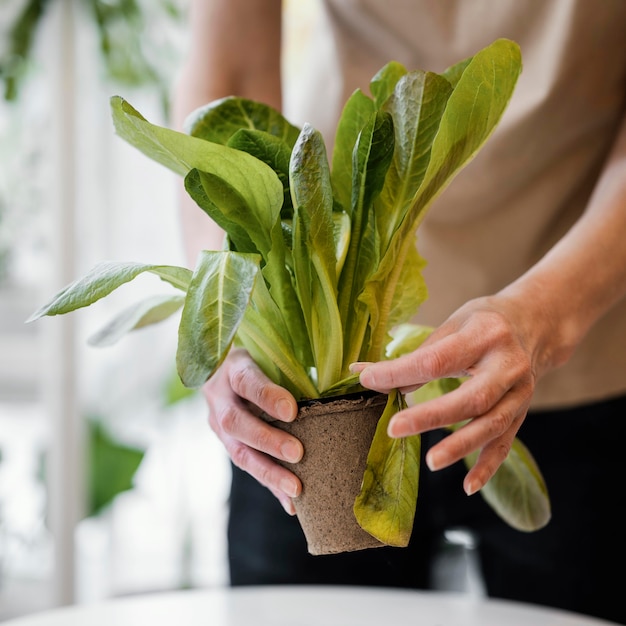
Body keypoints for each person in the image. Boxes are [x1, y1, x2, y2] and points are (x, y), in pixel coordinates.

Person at [172, 1, 626, 623]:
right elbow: (229, 77)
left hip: (577, 315)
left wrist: (546, 316)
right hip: (315, 363)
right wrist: (236, 324)